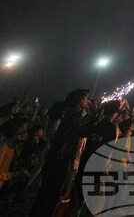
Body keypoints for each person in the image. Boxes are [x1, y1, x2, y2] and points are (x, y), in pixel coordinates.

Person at [29, 89, 90, 217]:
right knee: (52, 194)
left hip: (54, 156)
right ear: (79, 100)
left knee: (44, 193)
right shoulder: (74, 117)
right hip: (60, 158)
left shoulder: (66, 113)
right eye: (86, 99)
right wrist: (94, 114)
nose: (88, 101)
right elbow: (85, 131)